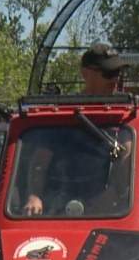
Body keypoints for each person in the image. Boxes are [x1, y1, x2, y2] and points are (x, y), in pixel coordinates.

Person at [22, 42, 128, 215]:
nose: (114, 79)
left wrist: (116, 191)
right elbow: (40, 162)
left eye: (117, 73)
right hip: (59, 202)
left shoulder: (124, 113)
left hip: (107, 207)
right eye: (108, 73)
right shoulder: (63, 113)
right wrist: (34, 196)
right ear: (86, 73)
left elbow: (129, 156)